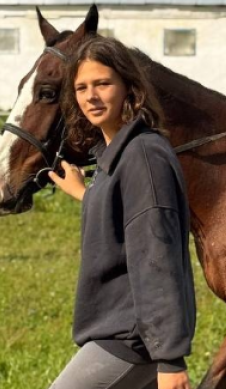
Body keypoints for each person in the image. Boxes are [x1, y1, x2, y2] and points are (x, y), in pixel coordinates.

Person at [47, 37, 195, 389]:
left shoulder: (143, 156)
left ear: (129, 87)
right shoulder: (115, 155)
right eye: (82, 87)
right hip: (117, 328)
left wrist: (170, 358)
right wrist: (87, 195)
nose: (91, 96)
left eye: (103, 83)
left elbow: (155, 255)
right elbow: (125, 221)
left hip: (131, 337)